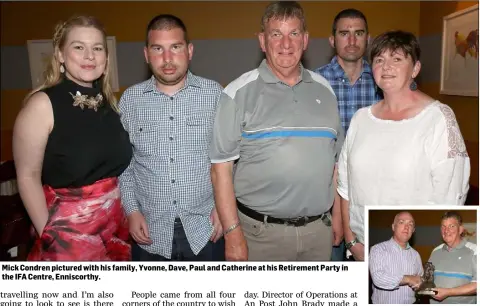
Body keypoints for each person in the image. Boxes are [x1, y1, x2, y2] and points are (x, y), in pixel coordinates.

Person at [210, 1, 344, 261]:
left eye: (294, 33)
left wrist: (337, 216)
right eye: (276, 34)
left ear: (305, 40)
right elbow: (220, 170)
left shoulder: (325, 90)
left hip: (319, 233)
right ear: (262, 40)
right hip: (260, 236)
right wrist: (232, 234)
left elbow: (336, 163)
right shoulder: (236, 93)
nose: (286, 44)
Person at [338, 30, 470, 261]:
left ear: (416, 69)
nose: (386, 66)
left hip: (403, 252)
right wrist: (352, 242)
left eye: (397, 59)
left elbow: (449, 195)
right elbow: (345, 186)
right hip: (359, 248)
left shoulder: (438, 118)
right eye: (379, 60)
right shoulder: (361, 118)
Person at [12, 15, 132, 261]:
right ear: (60, 55)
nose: (90, 56)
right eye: (79, 47)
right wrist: (50, 235)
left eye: (97, 48)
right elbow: (27, 177)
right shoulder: (41, 105)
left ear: (106, 57)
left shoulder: (109, 104)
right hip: (66, 237)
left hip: (115, 231)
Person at [118, 14, 224, 261]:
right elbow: (124, 165)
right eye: (158, 49)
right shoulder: (130, 101)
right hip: (149, 232)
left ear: (189, 50)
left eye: (175, 47)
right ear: (146, 54)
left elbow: (229, 160)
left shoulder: (215, 95)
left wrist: (224, 209)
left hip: (206, 230)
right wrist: (132, 211)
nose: (167, 59)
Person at [315, 8, 381, 262]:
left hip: (372, 191)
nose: (352, 40)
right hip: (325, 194)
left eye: (358, 33)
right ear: (332, 40)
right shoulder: (314, 81)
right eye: (344, 33)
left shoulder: (385, 79)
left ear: (368, 38)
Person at [369, 212, 423, 304]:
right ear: (393, 227)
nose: (407, 227)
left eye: (410, 224)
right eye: (402, 222)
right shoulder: (378, 249)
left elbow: (420, 278)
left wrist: (421, 283)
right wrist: (408, 279)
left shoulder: (415, 255)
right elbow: (378, 278)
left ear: (413, 230)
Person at [429, 211, 477, 304]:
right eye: (443, 226)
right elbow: (428, 278)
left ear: (460, 229)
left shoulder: (475, 251)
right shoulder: (435, 251)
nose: (446, 230)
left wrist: (448, 292)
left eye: (451, 226)